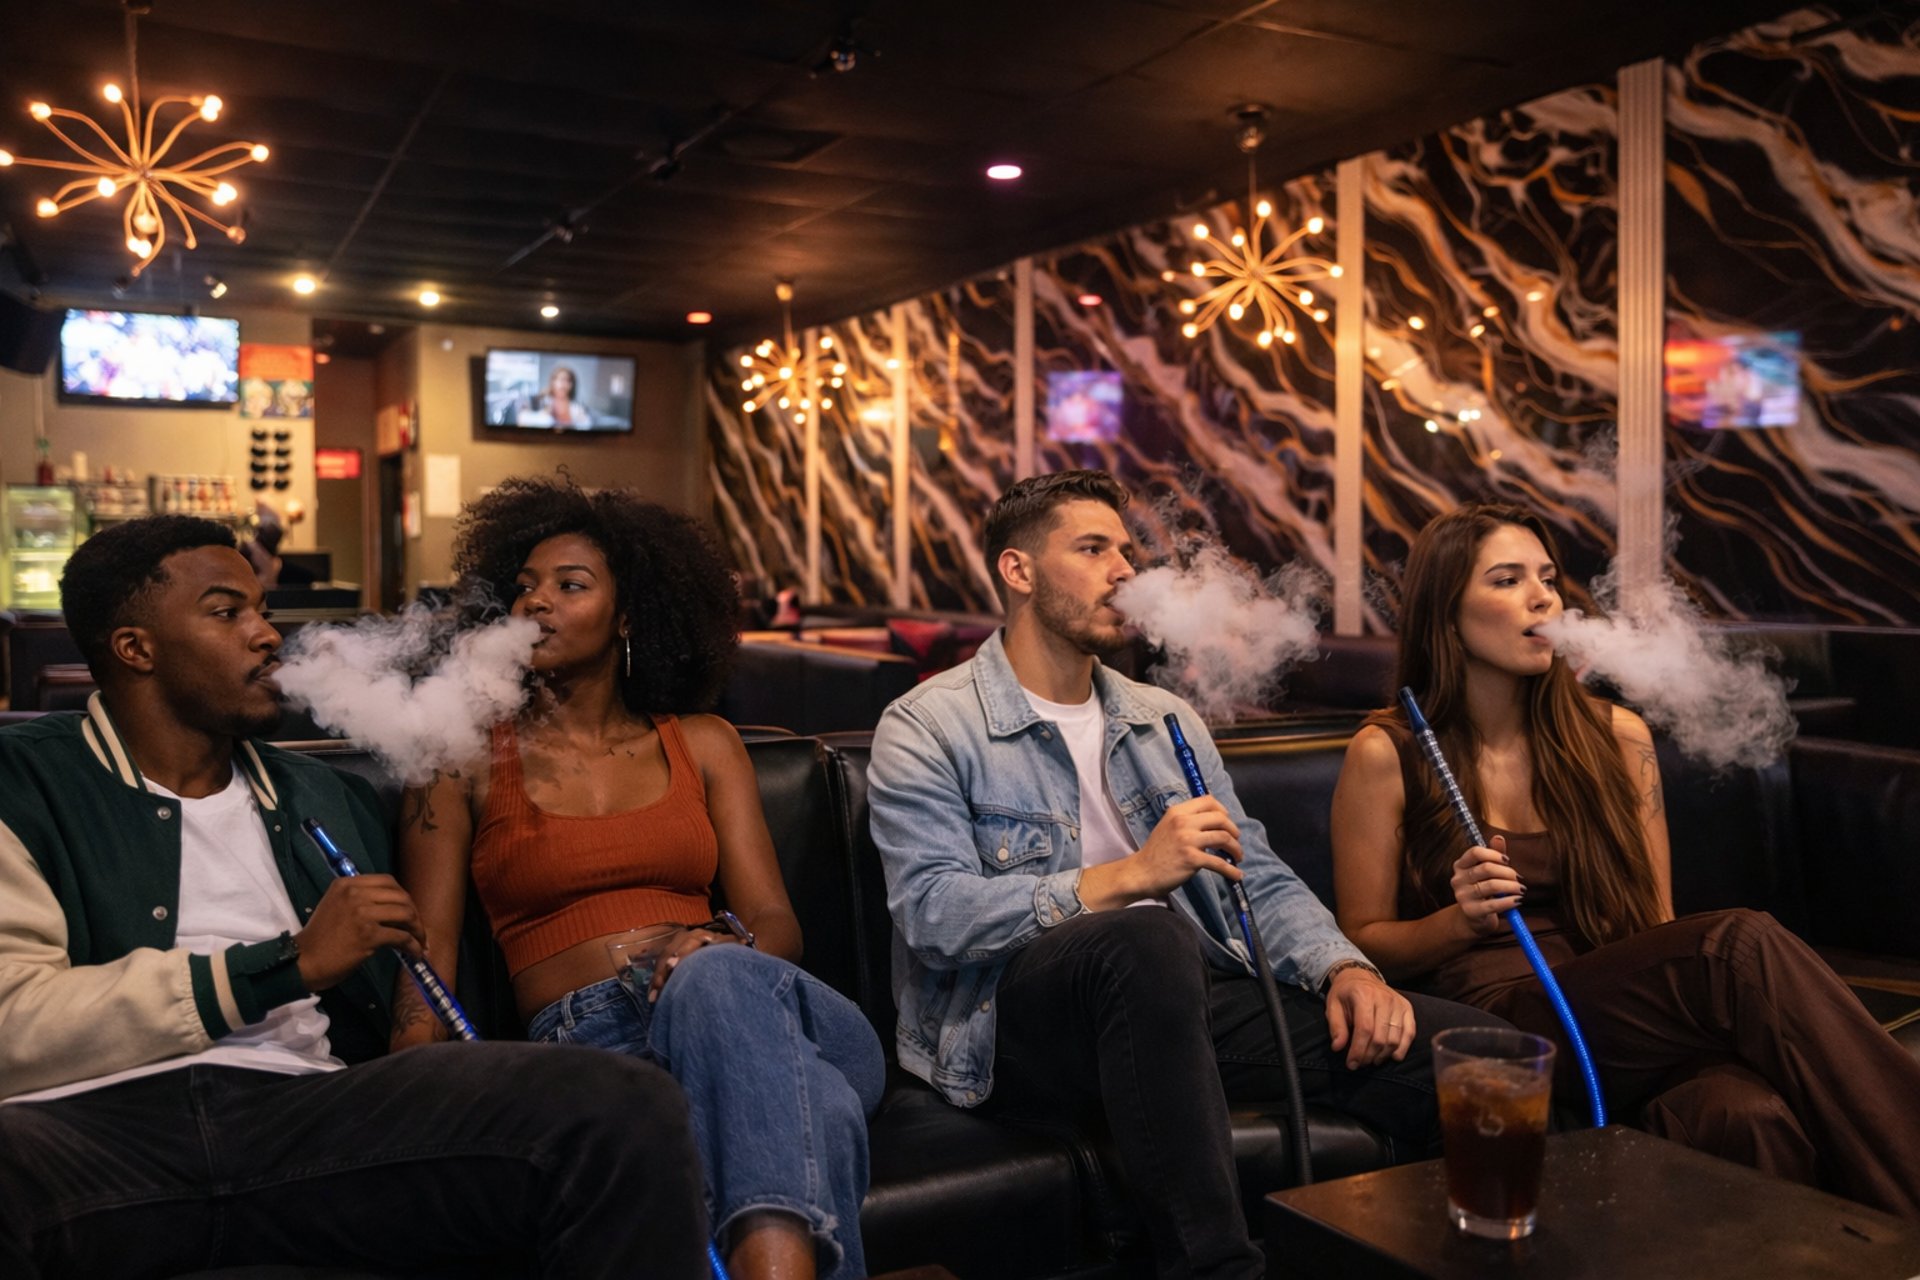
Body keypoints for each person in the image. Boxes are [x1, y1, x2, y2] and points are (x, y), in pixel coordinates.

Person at [0, 515, 708, 1278]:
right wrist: (283, 967)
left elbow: (418, 992)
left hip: (309, 1123)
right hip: (93, 1130)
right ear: (135, 648)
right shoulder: (27, 782)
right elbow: (13, 1020)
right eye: (227, 612)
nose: (267, 636)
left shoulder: (322, 796)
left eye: (262, 610)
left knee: (620, 1107)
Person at [868, 469, 1506, 1279]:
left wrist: (1343, 966)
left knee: (1482, 1063)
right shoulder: (928, 725)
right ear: (1018, 572)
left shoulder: (1162, 718)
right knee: (1145, 935)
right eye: (1093, 548)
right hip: (1012, 1023)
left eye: (1128, 551)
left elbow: (1257, 874)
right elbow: (934, 915)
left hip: (1173, 1003)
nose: (1125, 570)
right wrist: (1132, 873)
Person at [1329, 501, 1920, 1218]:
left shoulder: (1616, 738)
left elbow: (1654, 921)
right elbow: (1360, 940)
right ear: (1445, 613)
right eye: (1508, 580)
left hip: (1616, 1006)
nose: (1543, 597)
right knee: (1735, 947)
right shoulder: (1389, 751)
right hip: (1501, 1021)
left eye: (1547, 577)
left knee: (1745, 1114)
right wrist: (1458, 922)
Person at [396, 476, 885, 1280]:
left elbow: (775, 924)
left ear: (629, 616)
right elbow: (428, 953)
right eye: (524, 588)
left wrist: (714, 950)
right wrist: (407, 1095)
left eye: (570, 585)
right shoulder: (461, 756)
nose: (537, 604)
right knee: (818, 1110)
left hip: (769, 1010)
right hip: (596, 1046)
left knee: (721, 980)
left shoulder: (705, 741)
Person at [519, 365, 594, 428]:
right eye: (561, 380)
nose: (564, 385)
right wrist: (541, 416)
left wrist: (582, 420)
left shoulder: (577, 407)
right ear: (553, 381)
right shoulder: (539, 400)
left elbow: (587, 425)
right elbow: (522, 419)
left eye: (568, 381)